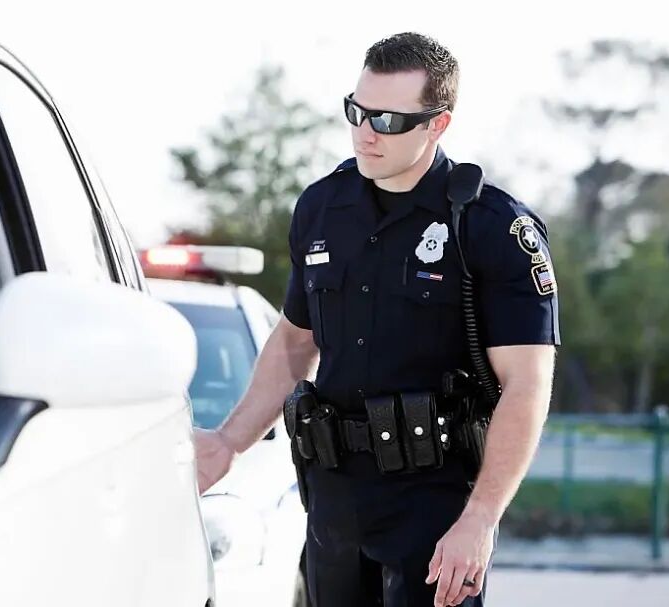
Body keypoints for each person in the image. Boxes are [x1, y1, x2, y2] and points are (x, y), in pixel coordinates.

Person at [193, 32, 560, 607]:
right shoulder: (321, 208)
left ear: (437, 124)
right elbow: (295, 341)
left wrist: (481, 517)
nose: (366, 132)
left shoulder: (491, 228)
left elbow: (527, 384)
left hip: (436, 503)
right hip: (333, 501)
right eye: (356, 112)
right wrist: (227, 442)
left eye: (388, 121)